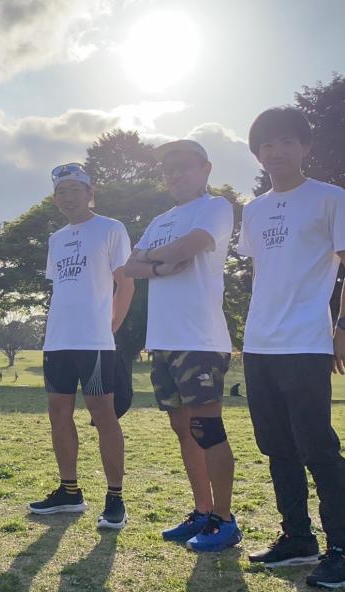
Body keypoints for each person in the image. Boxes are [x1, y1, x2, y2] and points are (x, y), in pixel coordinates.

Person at [238, 106, 345, 588]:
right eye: (266, 144)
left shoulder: (330, 198)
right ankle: (297, 538)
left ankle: (341, 548)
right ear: (257, 154)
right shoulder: (254, 209)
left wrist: (342, 327)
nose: (276, 151)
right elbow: (261, 271)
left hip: (306, 341)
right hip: (260, 343)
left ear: (304, 146)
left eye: (286, 141)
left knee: (317, 447)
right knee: (277, 447)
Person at [124, 139, 241, 552]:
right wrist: (161, 265)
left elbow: (188, 248)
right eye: (168, 169)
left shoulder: (215, 207)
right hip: (163, 340)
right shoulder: (160, 219)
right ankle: (202, 511)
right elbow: (129, 267)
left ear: (205, 169)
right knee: (183, 430)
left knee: (207, 429)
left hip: (200, 339)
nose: (175, 174)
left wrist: (152, 259)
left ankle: (225, 520)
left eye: (184, 166)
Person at [28, 163, 134, 530]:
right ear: (55, 199)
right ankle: (69, 492)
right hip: (58, 340)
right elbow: (62, 287)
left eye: (75, 189)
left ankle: (115, 498)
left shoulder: (110, 228)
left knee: (103, 414)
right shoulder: (56, 239)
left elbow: (126, 284)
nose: (68, 197)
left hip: (95, 341)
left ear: (90, 193)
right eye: (61, 191)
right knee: (58, 413)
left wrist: (110, 329)